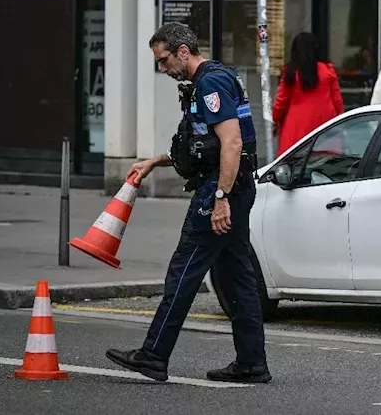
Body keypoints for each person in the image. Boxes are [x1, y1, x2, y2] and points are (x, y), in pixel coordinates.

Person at [106, 22, 270, 384]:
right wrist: (155, 161)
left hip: (224, 188)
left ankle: (153, 354)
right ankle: (252, 362)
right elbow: (201, 145)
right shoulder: (210, 80)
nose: (162, 69)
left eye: (163, 60)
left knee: (185, 270)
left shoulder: (210, 83)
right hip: (234, 186)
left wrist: (220, 199)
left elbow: (231, 144)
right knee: (237, 276)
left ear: (183, 51)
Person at [272, 32, 343, 152]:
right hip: (325, 127)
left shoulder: (291, 73)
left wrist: (275, 120)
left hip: (295, 128)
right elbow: (337, 101)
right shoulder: (328, 70)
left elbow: (280, 103)